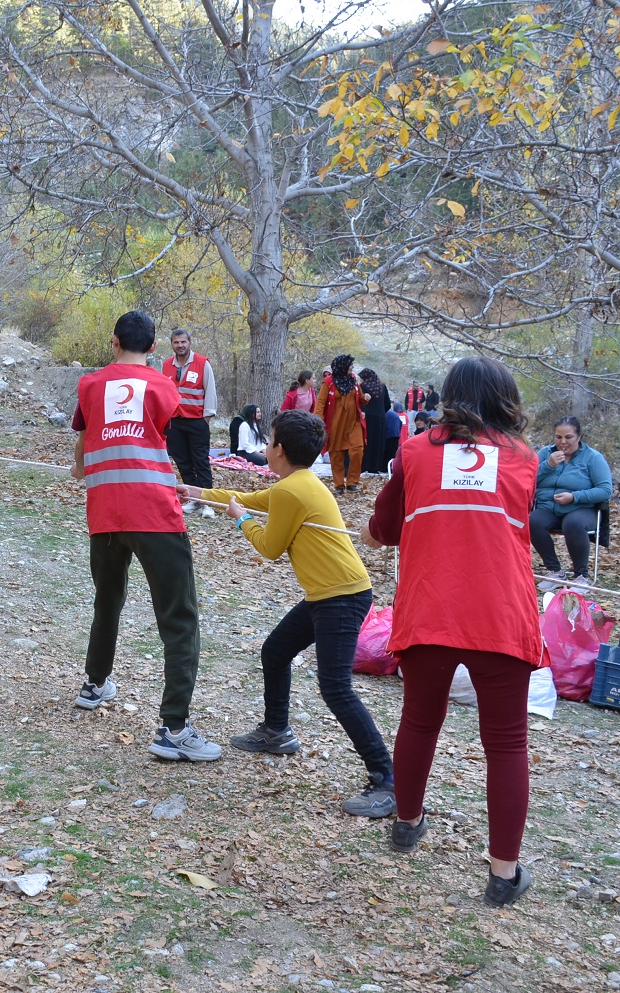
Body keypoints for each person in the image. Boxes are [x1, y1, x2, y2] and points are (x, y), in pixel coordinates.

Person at [360, 356, 541, 908]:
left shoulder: (413, 451)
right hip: (500, 613)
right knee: (506, 743)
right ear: (505, 399)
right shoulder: (524, 458)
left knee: (419, 722)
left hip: (431, 610)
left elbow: (381, 531)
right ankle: (503, 874)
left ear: (448, 396)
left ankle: (407, 823)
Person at [183, 410, 395, 816]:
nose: (266, 447)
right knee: (276, 651)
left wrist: (241, 520)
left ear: (279, 450)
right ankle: (277, 731)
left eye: (269, 441)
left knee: (335, 688)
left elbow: (268, 546)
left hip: (342, 597)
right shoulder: (295, 483)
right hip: (329, 593)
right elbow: (245, 499)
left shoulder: (292, 491)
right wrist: (193, 491)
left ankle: (386, 778)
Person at [71, 311, 221, 762]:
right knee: (180, 618)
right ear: (154, 348)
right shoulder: (163, 386)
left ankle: (94, 685)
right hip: (154, 513)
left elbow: (82, 438)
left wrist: (80, 469)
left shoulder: (90, 385)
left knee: (108, 598)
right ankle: (174, 728)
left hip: (104, 510)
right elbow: (167, 433)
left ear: (113, 341)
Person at [528, 416, 612, 585]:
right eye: (558, 437)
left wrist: (574, 497)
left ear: (579, 437)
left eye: (568, 437)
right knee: (532, 520)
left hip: (581, 509)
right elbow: (527, 479)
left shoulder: (592, 458)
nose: (563, 442)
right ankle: (555, 571)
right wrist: (547, 466)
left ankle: (581, 576)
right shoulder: (545, 453)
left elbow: (605, 490)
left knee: (573, 523)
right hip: (549, 508)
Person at [161, 329, 218, 518]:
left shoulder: (202, 363)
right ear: (172, 344)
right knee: (183, 461)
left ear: (190, 342)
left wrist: (207, 416)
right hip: (175, 422)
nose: (180, 345)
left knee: (200, 461)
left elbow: (210, 390)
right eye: (176, 342)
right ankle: (193, 499)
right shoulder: (166, 365)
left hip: (197, 421)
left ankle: (207, 502)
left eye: (183, 342)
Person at [317, 354, 367, 493]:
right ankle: (339, 485)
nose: (353, 367)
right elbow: (320, 402)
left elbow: (360, 399)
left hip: (354, 423)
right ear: (343, 366)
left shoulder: (354, 380)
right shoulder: (328, 382)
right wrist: (318, 420)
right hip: (336, 424)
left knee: (357, 451)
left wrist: (366, 398)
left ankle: (352, 482)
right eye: (350, 365)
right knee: (336, 454)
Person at [359, 368, 391, 476]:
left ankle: (365, 465)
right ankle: (375, 466)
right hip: (380, 418)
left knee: (367, 440)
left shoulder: (363, 386)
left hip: (367, 417)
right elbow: (388, 404)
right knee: (378, 442)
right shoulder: (382, 386)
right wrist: (381, 412)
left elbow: (360, 402)